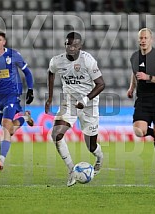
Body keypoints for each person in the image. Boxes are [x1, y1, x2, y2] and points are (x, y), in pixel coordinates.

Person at [45, 32, 105, 187]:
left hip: (89, 105)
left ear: (80, 46)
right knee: (56, 134)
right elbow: (50, 73)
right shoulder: (57, 61)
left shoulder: (88, 61)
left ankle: (99, 159)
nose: (70, 48)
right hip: (69, 102)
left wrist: (85, 100)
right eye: (68, 44)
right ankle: (72, 170)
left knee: (91, 146)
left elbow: (101, 84)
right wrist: (50, 97)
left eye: (74, 45)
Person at [0, 28, 35, 171]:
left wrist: (30, 89)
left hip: (12, 95)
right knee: (9, 131)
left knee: (5, 127)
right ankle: (25, 117)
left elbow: (27, 72)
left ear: (4, 42)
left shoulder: (13, 55)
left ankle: (1, 159)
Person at [127, 28, 155, 174]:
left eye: (146, 38)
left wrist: (149, 78)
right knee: (139, 131)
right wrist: (131, 87)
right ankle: (154, 135)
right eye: (141, 38)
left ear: (151, 39)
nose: (143, 40)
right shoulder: (134, 56)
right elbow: (134, 73)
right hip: (143, 99)